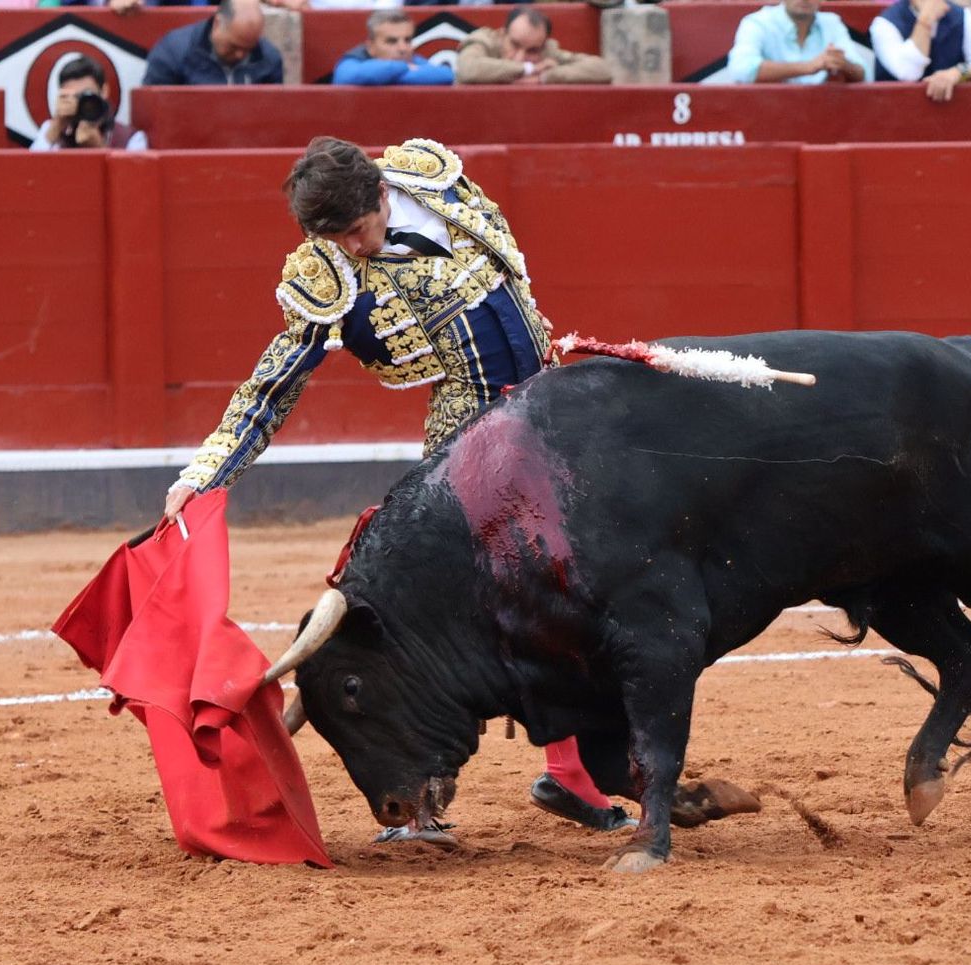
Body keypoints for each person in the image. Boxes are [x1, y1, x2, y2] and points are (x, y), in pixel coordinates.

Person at [163, 136, 635, 841]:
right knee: (459, 608)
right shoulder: (327, 270)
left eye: (358, 230)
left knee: (574, 585)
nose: (353, 249)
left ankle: (569, 774)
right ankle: (421, 794)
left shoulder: (431, 178)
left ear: (382, 197)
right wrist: (204, 474)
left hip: (551, 411)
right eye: (335, 238)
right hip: (470, 444)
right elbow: (273, 386)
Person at [870, 0, 971, 102]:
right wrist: (925, 20)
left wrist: (958, 72)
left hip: (952, 118)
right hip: (895, 118)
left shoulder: (962, 16)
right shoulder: (883, 24)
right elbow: (909, 72)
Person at [454, 5, 612, 85]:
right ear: (503, 34)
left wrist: (546, 76)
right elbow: (468, 68)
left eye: (532, 51)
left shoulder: (546, 52)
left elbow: (602, 70)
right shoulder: (485, 40)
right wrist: (528, 68)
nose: (520, 57)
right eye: (514, 45)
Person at [726, 0, 872, 86]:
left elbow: (865, 74)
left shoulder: (831, 22)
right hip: (766, 115)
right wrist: (808, 66)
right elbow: (741, 70)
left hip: (823, 115)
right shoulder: (757, 22)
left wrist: (844, 65)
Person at [143, 0, 283, 87]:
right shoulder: (172, 52)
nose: (240, 54)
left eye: (248, 49)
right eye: (233, 46)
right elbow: (154, 109)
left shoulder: (269, 58)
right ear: (217, 24)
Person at [29, 54, 149, 150]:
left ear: (104, 91)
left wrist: (98, 147)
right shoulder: (50, 131)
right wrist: (56, 126)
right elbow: (29, 172)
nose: (82, 103)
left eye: (87, 95)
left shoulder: (131, 138)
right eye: (75, 96)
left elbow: (130, 178)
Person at [333, 9, 452, 87]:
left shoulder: (413, 59)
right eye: (391, 41)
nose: (403, 48)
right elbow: (347, 77)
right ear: (370, 46)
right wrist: (404, 67)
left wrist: (384, 76)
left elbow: (446, 75)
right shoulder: (354, 59)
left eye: (407, 40)